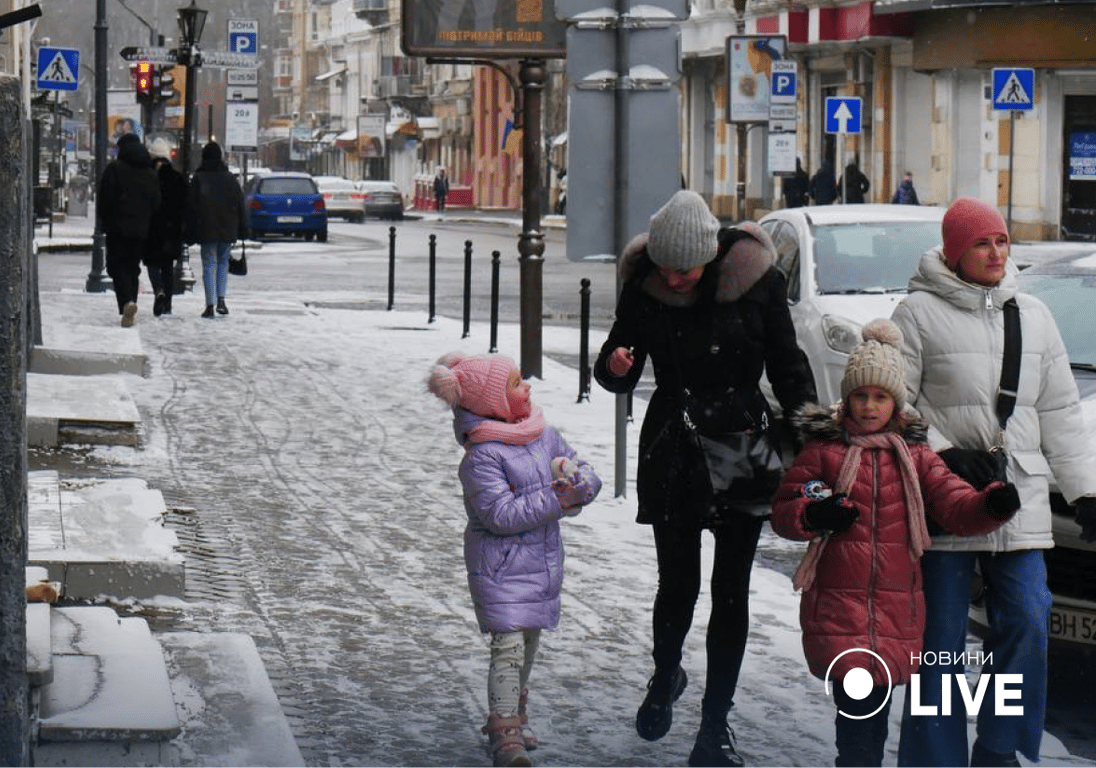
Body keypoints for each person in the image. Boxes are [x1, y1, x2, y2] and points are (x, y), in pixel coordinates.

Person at [591, 190, 817, 768]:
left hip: (742, 440)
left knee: (731, 591)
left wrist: (815, 439)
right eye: (665, 267)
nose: (674, 277)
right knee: (678, 583)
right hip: (674, 440)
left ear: (710, 256)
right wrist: (615, 365)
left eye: (685, 268)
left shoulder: (754, 279)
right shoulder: (648, 280)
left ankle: (715, 728)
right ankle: (665, 674)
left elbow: (789, 366)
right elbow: (622, 354)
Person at [891, 196, 1096, 768]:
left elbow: (1059, 411)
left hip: (1018, 499)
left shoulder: (1033, 314)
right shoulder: (916, 314)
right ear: (956, 251)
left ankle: (999, 749)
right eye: (982, 243)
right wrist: (943, 454)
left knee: (1030, 617)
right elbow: (893, 409)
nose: (995, 252)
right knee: (942, 647)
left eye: (1002, 241)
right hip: (947, 503)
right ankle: (936, 759)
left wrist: (1084, 492)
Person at [772, 318, 1020, 768]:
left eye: (880, 396)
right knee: (857, 716)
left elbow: (954, 503)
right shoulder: (824, 453)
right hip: (839, 608)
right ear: (846, 398)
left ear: (896, 403)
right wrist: (815, 513)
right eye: (861, 395)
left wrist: (992, 505)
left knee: (877, 712)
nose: (869, 406)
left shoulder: (916, 457)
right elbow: (786, 511)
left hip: (894, 612)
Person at [427, 352, 602, 768]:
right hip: (501, 565)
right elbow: (500, 514)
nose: (528, 388)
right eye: (516, 384)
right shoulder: (482, 456)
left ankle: (517, 715)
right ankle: (503, 729)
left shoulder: (543, 434)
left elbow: (584, 469)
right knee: (507, 646)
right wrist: (560, 497)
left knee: (527, 642)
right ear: (492, 405)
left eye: (523, 380)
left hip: (541, 563)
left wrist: (581, 483)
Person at [96, 132, 160, 327]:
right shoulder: (150, 173)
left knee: (117, 266)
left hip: (117, 228)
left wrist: (105, 223)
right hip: (141, 229)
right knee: (133, 267)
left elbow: (104, 199)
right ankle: (130, 304)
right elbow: (157, 202)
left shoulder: (114, 169)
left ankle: (127, 302)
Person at [184, 141, 248, 319]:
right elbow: (240, 204)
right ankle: (221, 300)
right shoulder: (229, 178)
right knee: (223, 263)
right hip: (227, 229)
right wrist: (243, 229)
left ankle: (210, 305)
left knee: (209, 264)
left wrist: (189, 230)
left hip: (207, 228)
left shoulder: (199, 178)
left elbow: (191, 207)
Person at [144, 137, 187, 317]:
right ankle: (168, 303)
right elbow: (185, 205)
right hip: (172, 230)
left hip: (152, 229)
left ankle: (158, 290)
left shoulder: (147, 177)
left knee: (152, 263)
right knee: (168, 266)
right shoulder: (177, 178)